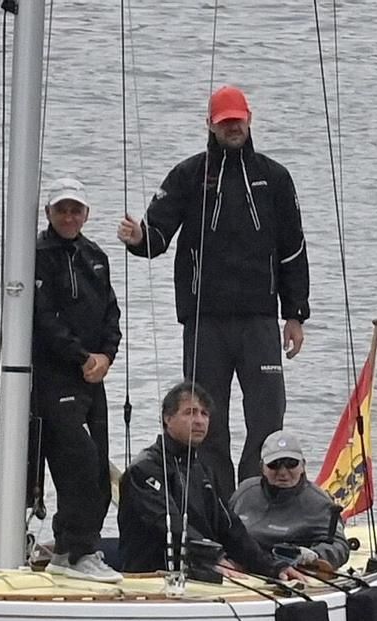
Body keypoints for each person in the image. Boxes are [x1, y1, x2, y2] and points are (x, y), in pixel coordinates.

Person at [116, 85, 310, 481]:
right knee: (206, 420)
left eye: (238, 120)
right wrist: (139, 239)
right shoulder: (190, 175)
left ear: (250, 119)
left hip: (259, 319)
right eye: (224, 122)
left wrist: (295, 315)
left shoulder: (274, 179)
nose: (233, 127)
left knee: (268, 416)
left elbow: (293, 250)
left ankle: (257, 496)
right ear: (210, 125)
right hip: (205, 320)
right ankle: (216, 507)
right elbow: (157, 235)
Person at [118, 382, 308, 582]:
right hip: (150, 575)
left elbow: (230, 528)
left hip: (200, 567)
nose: (199, 421)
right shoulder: (144, 469)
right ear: (167, 418)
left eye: (204, 414)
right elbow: (169, 525)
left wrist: (273, 566)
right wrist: (212, 557)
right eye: (190, 413)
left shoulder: (202, 471)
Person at [31, 177, 122, 582]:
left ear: (86, 213)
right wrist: (82, 356)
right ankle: (78, 549)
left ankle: (72, 550)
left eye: (76, 210)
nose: (69, 217)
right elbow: (43, 317)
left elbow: (111, 315)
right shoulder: (35, 254)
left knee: (100, 470)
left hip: (92, 379)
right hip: (54, 377)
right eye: (61, 210)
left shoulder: (95, 257)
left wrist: (105, 355)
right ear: (49, 212)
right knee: (78, 465)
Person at [231, 430, 350, 569]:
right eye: (274, 464)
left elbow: (340, 546)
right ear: (262, 467)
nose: (282, 472)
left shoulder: (320, 503)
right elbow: (221, 528)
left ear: (303, 466)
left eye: (291, 463)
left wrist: (314, 555)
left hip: (291, 571)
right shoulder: (245, 491)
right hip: (241, 566)